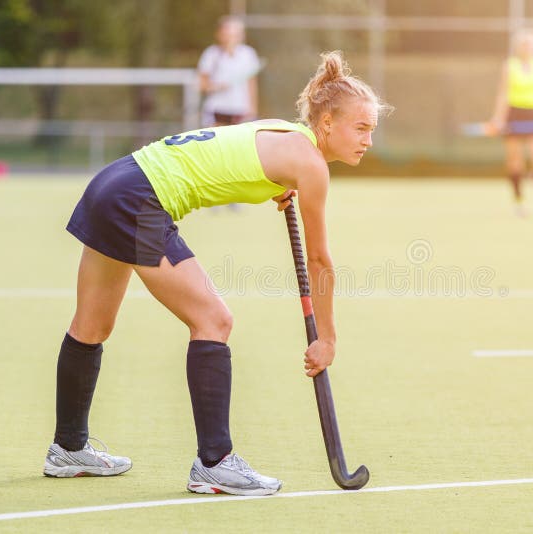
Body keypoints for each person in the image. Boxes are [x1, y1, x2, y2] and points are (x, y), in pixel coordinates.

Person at [43, 51, 389, 496]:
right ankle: (214, 463)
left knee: (91, 325)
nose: (368, 140)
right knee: (213, 320)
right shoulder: (311, 166)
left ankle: (68, 448)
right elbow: (320, 261)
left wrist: (279, 185)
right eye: (360, 128)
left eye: (371, 130)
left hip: (116, 181)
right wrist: (327, 338)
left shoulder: (283, 134)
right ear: (326, 124)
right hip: (139, 201)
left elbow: (240, 161)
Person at [486, 28, 533, 217]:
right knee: (515, 161)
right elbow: (504, 94)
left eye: (531, 44)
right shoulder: (509, 66)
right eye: (524, 44)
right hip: (514, 116)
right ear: (518, 47)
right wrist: (498, 118)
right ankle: (519, 202)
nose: (527, 47)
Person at [197, 16, 261, 127]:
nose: (231, 38)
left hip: (241, 109)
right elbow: (202, 84)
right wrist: (215, 87)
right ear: (220, 34)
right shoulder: (211, 54)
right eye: (228, 34)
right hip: (217, 109)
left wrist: (253, 109)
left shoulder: (248, 53)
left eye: (235, 34)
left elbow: (252, 83)